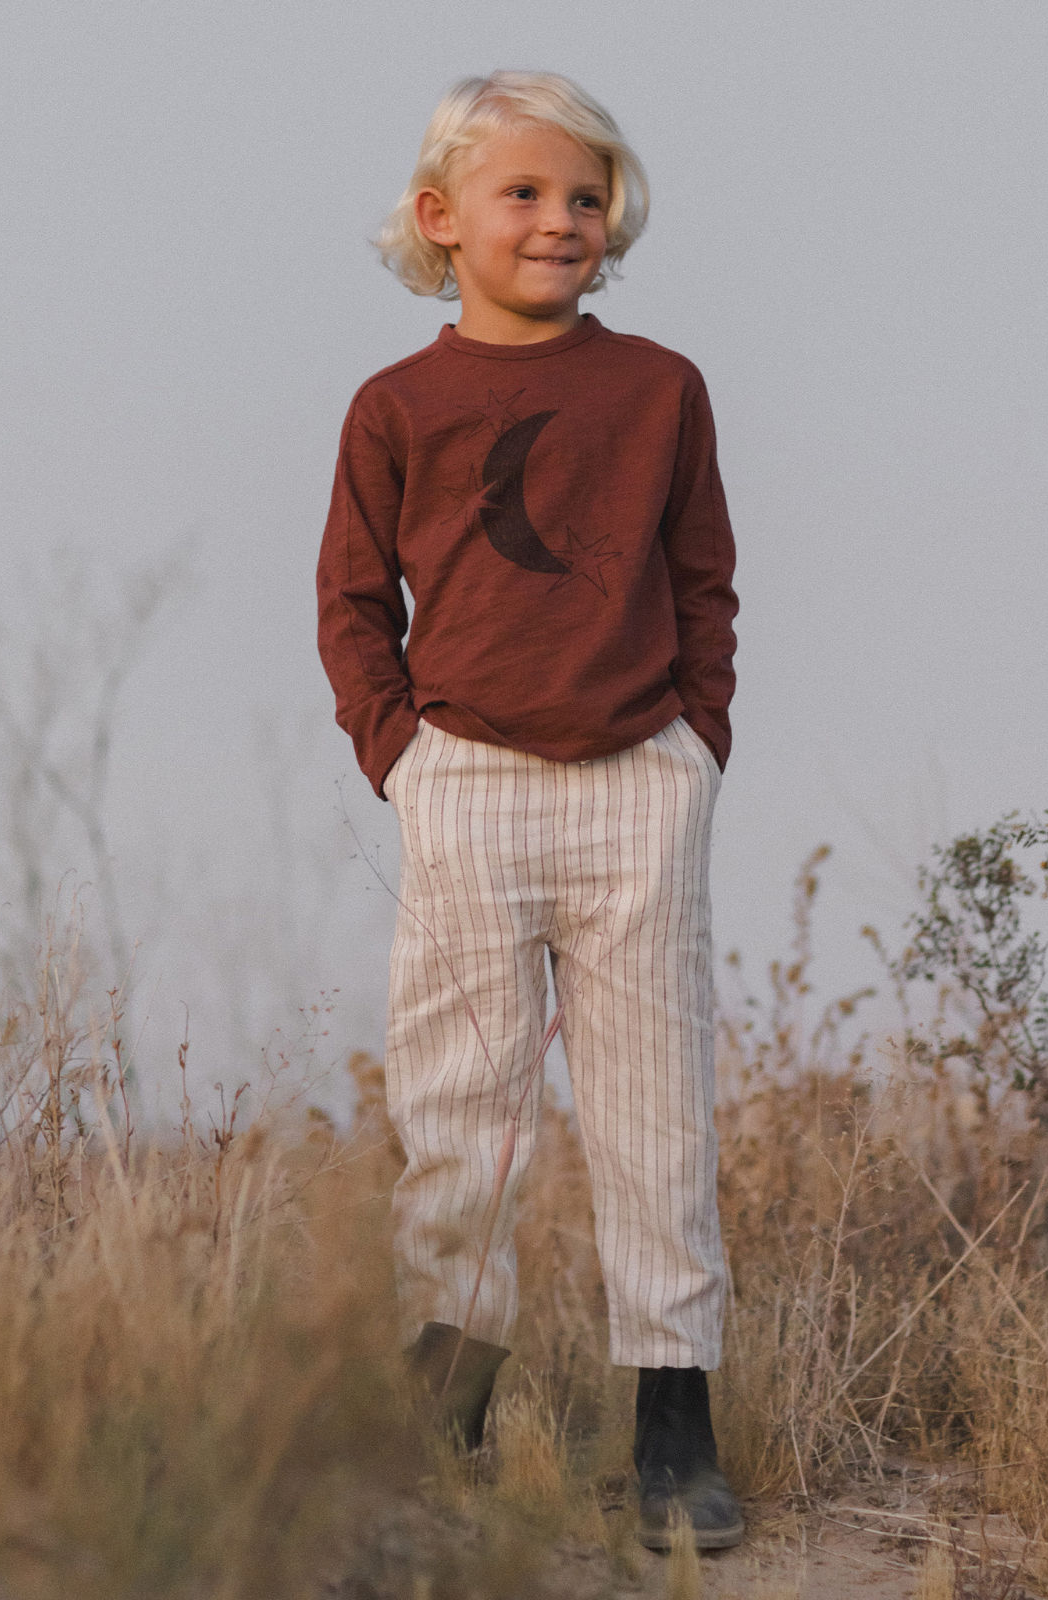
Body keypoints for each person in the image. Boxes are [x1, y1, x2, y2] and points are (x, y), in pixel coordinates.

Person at [316, 70, 741, 1550]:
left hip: (638, 784)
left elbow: (703, 585)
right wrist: (401, 755)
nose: (561, 219)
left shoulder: (661, 389)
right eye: (524, 193)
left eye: (583, 196)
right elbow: (353, 601)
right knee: (460, 1110)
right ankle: (446, 1414)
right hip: (471, 783)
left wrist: (700, 747)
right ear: (441, 219)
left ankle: (675, 1428)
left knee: (654, 1115)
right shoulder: (397, 407)